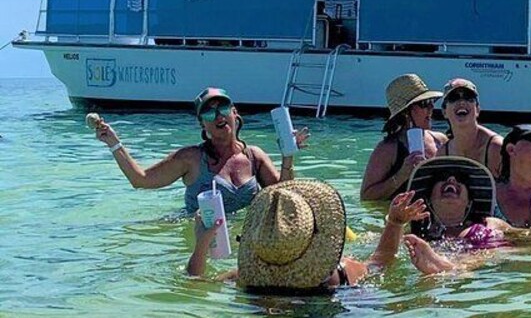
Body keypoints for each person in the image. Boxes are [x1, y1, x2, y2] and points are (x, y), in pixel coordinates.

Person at [95, 87, 307, 214]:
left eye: (223, 109)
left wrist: (288, 154)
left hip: (241, 238)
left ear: (235, 113)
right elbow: (140, 180)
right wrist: (114, 143)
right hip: (199, 236)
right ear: (202, 125)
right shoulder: (191, 159)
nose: (218, 116)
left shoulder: (254, 156)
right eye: (208, 113)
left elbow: (285, 195)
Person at [188, 180, 429, 290]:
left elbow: (196, 283)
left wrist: (202, 244)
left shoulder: (248, 278)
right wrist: (395, 222)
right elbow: (381, 260)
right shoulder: (340, 274)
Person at [360, 74, 448, 201]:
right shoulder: (388, 149)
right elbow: (366, 196)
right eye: (425, 103)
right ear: (406, 112)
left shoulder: (440, 140)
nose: (431, 107)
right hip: (402, 218)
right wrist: (401, 176)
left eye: (432, 102)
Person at [407, 156, 507, 247]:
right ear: (428, 200)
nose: (452, 179)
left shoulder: (490, 224)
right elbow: (391, 261)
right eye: (442, 177)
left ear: (469, 202)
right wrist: (395, 223)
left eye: (461, 179)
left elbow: (521, 240)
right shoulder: (415, 237)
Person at [440, 79, 503, 177]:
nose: (461, 102)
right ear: (444, 112)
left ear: (477, 109)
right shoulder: (443, 154)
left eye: (468, 97)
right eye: (454, 98)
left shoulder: (496, 148)